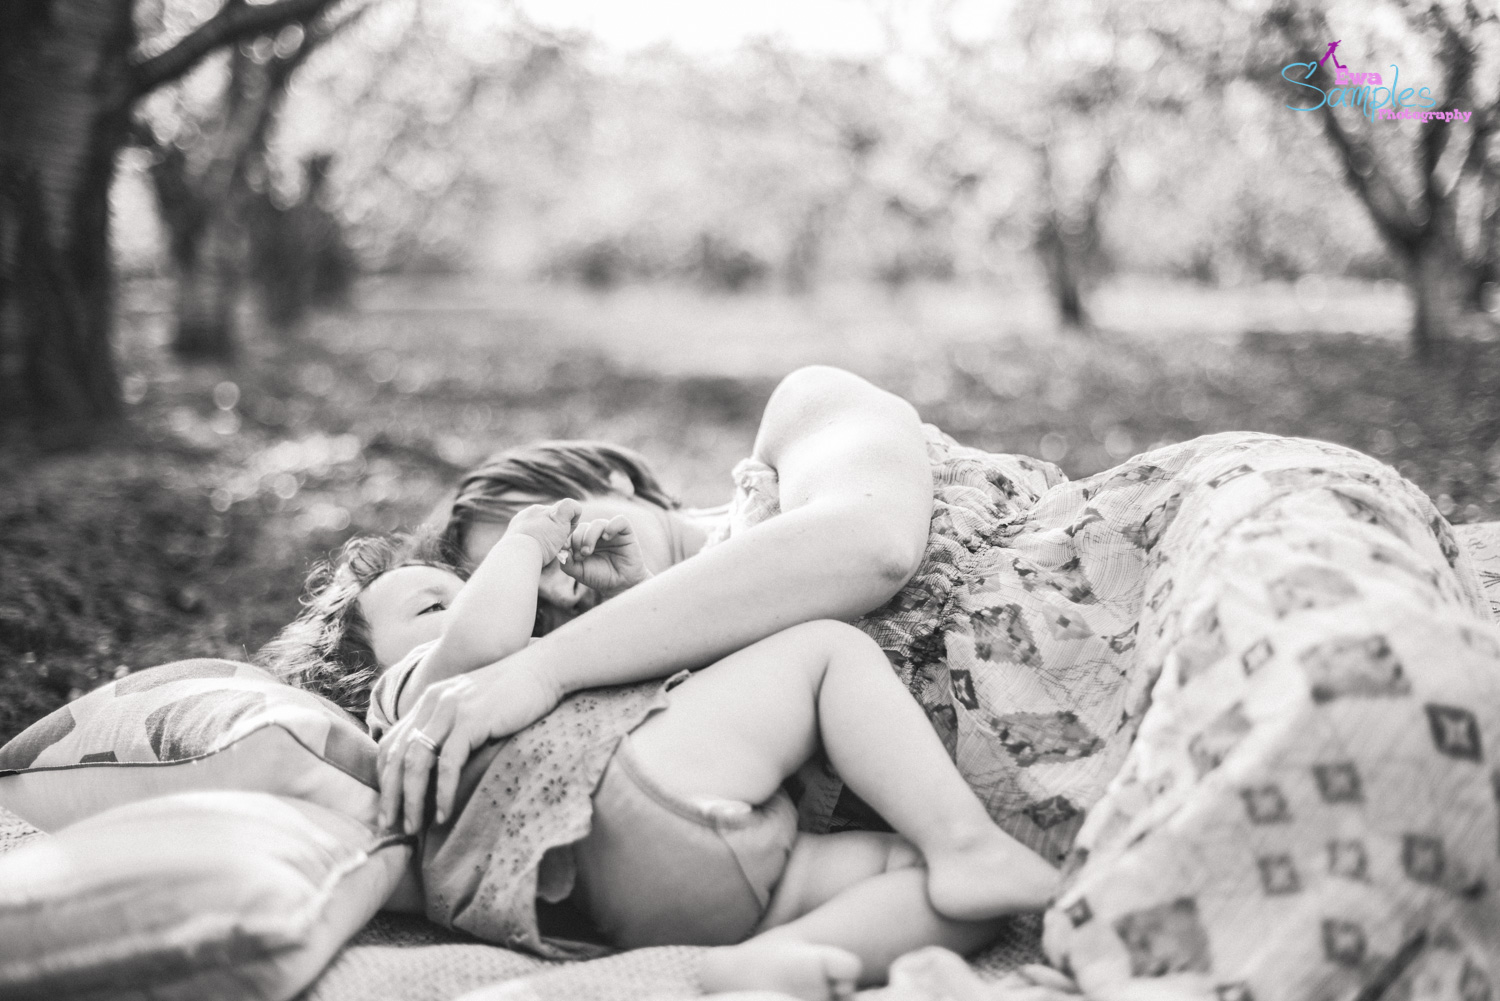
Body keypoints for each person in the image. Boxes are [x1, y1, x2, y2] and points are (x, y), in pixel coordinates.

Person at [373, 366, 1500, 999]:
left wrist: (544, 663)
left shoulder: (799, 423)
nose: (562, 580)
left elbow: (872, 544)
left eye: (549, 530)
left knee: (1370, 691)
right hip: (1127, 773)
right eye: (534, 596)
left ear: (616, 478)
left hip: (1189, 550)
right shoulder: (679, 712)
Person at [266, 497, 1060, 999]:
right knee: (826, 653)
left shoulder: (521, 681)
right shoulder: (407, 697)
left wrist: (614, 598)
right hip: (622, 789)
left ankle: (772, 960)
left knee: (943, 894)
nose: (464, 599)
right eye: (432, 602)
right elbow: (481, 640)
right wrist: (524, 538)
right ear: (363, 676)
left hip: (635, 897)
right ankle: (965, 838)